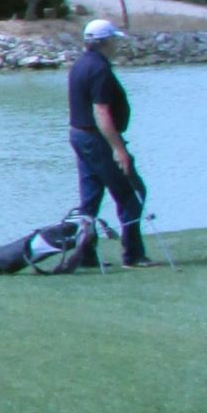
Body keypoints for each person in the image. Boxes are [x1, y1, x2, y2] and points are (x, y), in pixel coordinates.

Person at [66, 18, 155, 269]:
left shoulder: (80, 65)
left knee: (90, 199)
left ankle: (85, 254)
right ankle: (133, 255)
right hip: (97, 140)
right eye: (113, 40)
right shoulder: (99, 69)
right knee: (130, 194)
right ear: (104, 42)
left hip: (80, 136)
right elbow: (101, 112)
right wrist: (118, 149)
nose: (116, 44)